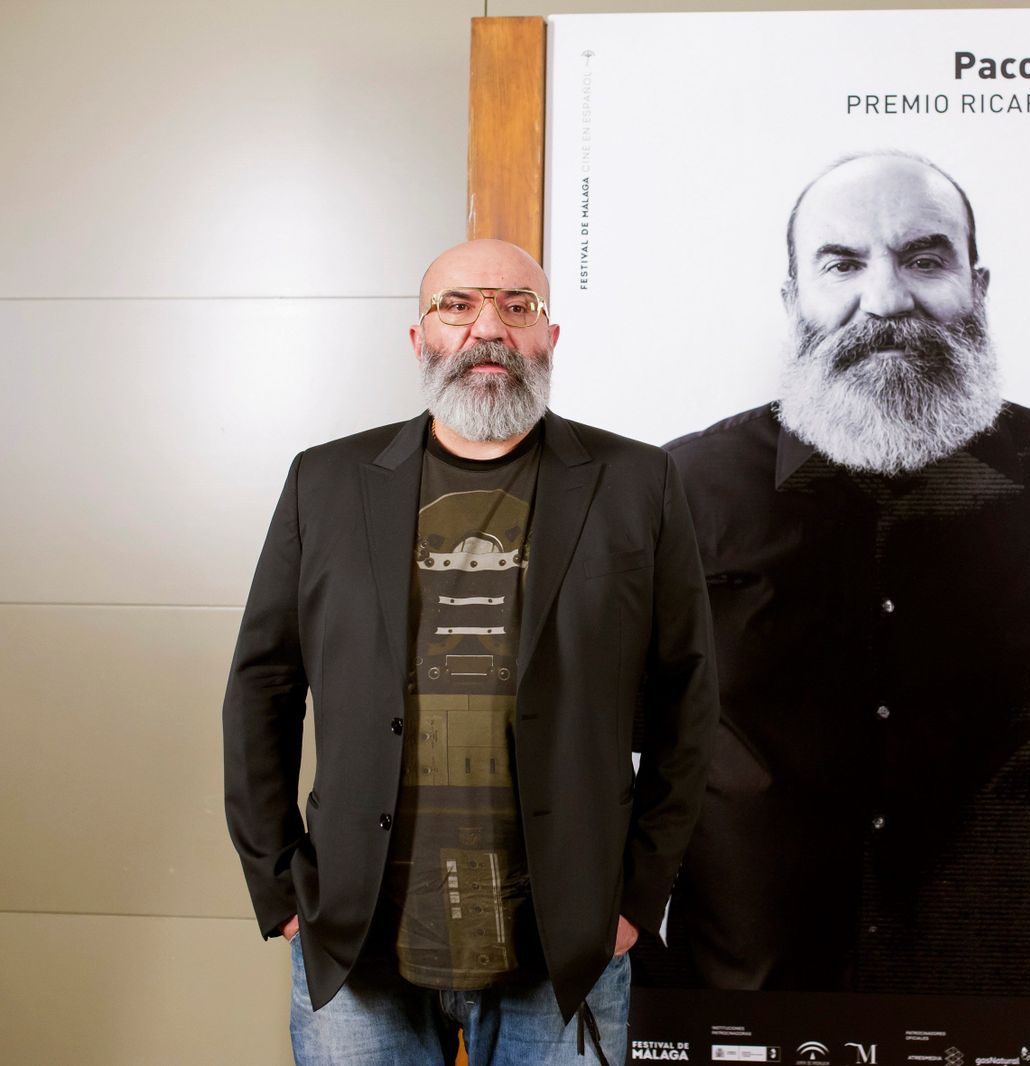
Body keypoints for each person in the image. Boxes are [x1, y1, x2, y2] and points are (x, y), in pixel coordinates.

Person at [646, 153, 1030, 997]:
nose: (885, 300)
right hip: (731, 1012)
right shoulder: (682, 493)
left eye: (924, 260)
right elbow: (594, 751)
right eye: (842, 264)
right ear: (793, 301)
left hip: (1008, 1025)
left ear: (977, 286)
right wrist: (648, 977)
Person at [223, 238, 718, 1064]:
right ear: (419, 340)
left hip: (566, 944)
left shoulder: (639, 484)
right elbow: (261, 688)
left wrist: (637, 895)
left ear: (549, 339)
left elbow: (688, 699)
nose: (488, 328)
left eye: (516, 307)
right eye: (458, 305)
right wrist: (279, 888)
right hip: (358, 936)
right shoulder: (326, 482)